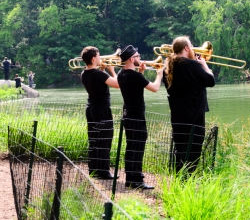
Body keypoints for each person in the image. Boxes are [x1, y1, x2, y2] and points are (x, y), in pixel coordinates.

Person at [163, 36, 215, 174]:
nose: (193, 48)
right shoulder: (193, 65)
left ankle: (179, 180)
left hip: (177, 115)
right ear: (186, 48)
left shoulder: (168, 67)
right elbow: (210, 81)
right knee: (194, 149)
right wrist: (204, 65)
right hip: (194, 115)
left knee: (180, 148)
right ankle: (188, 179)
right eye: (191, 46)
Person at [117, 45, 164, 189]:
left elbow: (134, 87)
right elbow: (155, 88)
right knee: (138, 147)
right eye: (137, 56)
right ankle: (136, 180)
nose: (140, 58)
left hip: (128, 114)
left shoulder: (121, 74)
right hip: (137, 116)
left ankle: (132, 178)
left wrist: (141, 72)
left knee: (131, 146)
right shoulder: (134, 76)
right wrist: (159, 74)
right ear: (131, 58)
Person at [80, 46, 119, 179]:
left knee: (94, 139)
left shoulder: (85, 73)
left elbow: (98, 83)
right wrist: (113, 71)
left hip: (91, 108)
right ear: (93, 58)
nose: (100, 57)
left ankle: (94, 169)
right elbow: (118, 84)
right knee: (104, 139)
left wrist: (103, 70)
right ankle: (104, 171)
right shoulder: (99, 74)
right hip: (101, 109)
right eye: (98, 55)